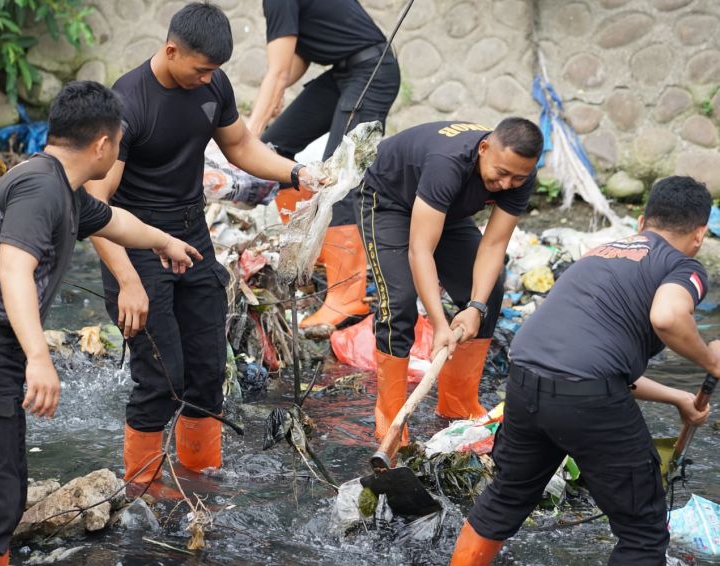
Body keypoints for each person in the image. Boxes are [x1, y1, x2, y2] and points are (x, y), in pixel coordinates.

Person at [0, 81, 202, 566]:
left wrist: (164, 242)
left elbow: (115, 222)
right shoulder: (41, 188)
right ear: (103, 144)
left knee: (3, 496)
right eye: (119, 143)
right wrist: (39, 357)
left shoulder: (62, 189)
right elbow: (14, 269)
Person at [85, 2, 320, 499]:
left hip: (193, 239)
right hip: (138, 244)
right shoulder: (128, 103)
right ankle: (143, 491)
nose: (209, 79)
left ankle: (200, 480)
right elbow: (96, 205)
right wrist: (127, 281)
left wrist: (296, 173)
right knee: (161, 376)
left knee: (209, 371)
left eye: (216, 70)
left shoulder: (212, 85)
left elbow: (241, 147)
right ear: (171, 51)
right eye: (202, 69)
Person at [451, 176, 716, 566]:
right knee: (643, 531)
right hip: (585, 392)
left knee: (505, 498)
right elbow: (668, 317)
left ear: (642, 223)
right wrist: (712, 360)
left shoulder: (600, 253)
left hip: (525, 378)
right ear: (700, 234)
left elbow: (591, 360)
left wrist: (678, 397)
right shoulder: (682, 265)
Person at [355, 118, 543, 440]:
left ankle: (458, 405)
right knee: (399, 304)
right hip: (388, 202)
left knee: (489, 293)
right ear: (484, 148)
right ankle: (391, 419)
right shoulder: (448, 163)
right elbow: (420, 250)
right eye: (500, 173)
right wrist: (440, 325)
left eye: (517, 178)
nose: (506, 184)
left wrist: (475, 307)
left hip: (445, 210)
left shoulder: (519, 175)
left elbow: (494, 245)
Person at [245, 0, 400, 329]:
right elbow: (294, 60)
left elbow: (279, 71)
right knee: (274, 151)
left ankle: (347, 297)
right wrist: (274, 97)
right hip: (343, 72)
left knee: (339, 181)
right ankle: (306, 256)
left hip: (371, 70)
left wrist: (248, 137)